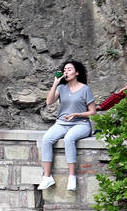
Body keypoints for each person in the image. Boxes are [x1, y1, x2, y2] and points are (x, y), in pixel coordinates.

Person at [37, 59, 94, 194]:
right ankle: (47, 176)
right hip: (62, 123)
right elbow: (49, 102)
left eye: (69, 69)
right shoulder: (61, 88)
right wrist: (55, 83)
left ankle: (72, 176)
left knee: (69, 139)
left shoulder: (85, 89)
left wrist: (77, 114)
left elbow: (93, 111)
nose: (66, 71)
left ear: (77, 72)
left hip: (81, 123)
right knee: (46, 139)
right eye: (65, 70)